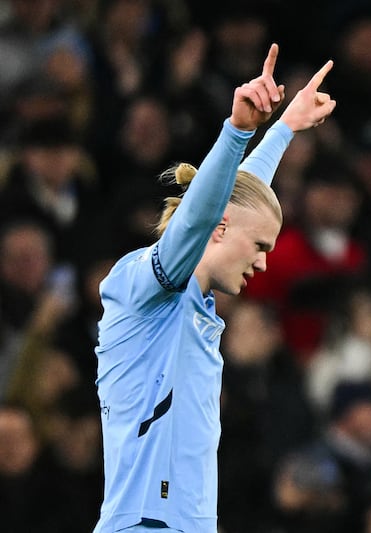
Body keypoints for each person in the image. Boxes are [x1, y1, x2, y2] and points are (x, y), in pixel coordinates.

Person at [92, 43, 336, 533]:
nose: (264, 263)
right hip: (147, 524)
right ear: (217, 230)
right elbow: (206, 213)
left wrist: (284, 128)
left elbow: (235, 198)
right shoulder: (142, 284)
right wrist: (237, 130)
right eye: (261, 246)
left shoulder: (195, 299)